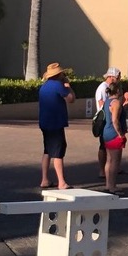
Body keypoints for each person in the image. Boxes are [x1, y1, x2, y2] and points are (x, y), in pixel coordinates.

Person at [38, 62, 76, 190]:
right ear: (59, 74)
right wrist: (68, 87)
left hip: (45, 122)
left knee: (47, 150)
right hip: (55, 123)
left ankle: (44, 179)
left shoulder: (43, 87)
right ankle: (61, 182)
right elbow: (71, 99)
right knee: (58, 152)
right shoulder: (58, 86)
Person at [100, 80, 127, 194]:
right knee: (115, 161)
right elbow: (115, 120)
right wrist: (120, 133)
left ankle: (108, 184)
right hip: (113, 133)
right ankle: (112, 186)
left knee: (109, 160)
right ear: (118, 90)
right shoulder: (116, 102)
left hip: (106, 132)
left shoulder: (107, 101)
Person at [95, 67, 121, 179]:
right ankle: (102, 170)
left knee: (107, 149)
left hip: (108, 121)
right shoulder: (103, 88)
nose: (119, 79)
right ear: (111, 77)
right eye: (117, 77)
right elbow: (102, 104)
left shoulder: (108, 88)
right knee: (103, 147)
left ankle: (110, 169)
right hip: (105, 121)